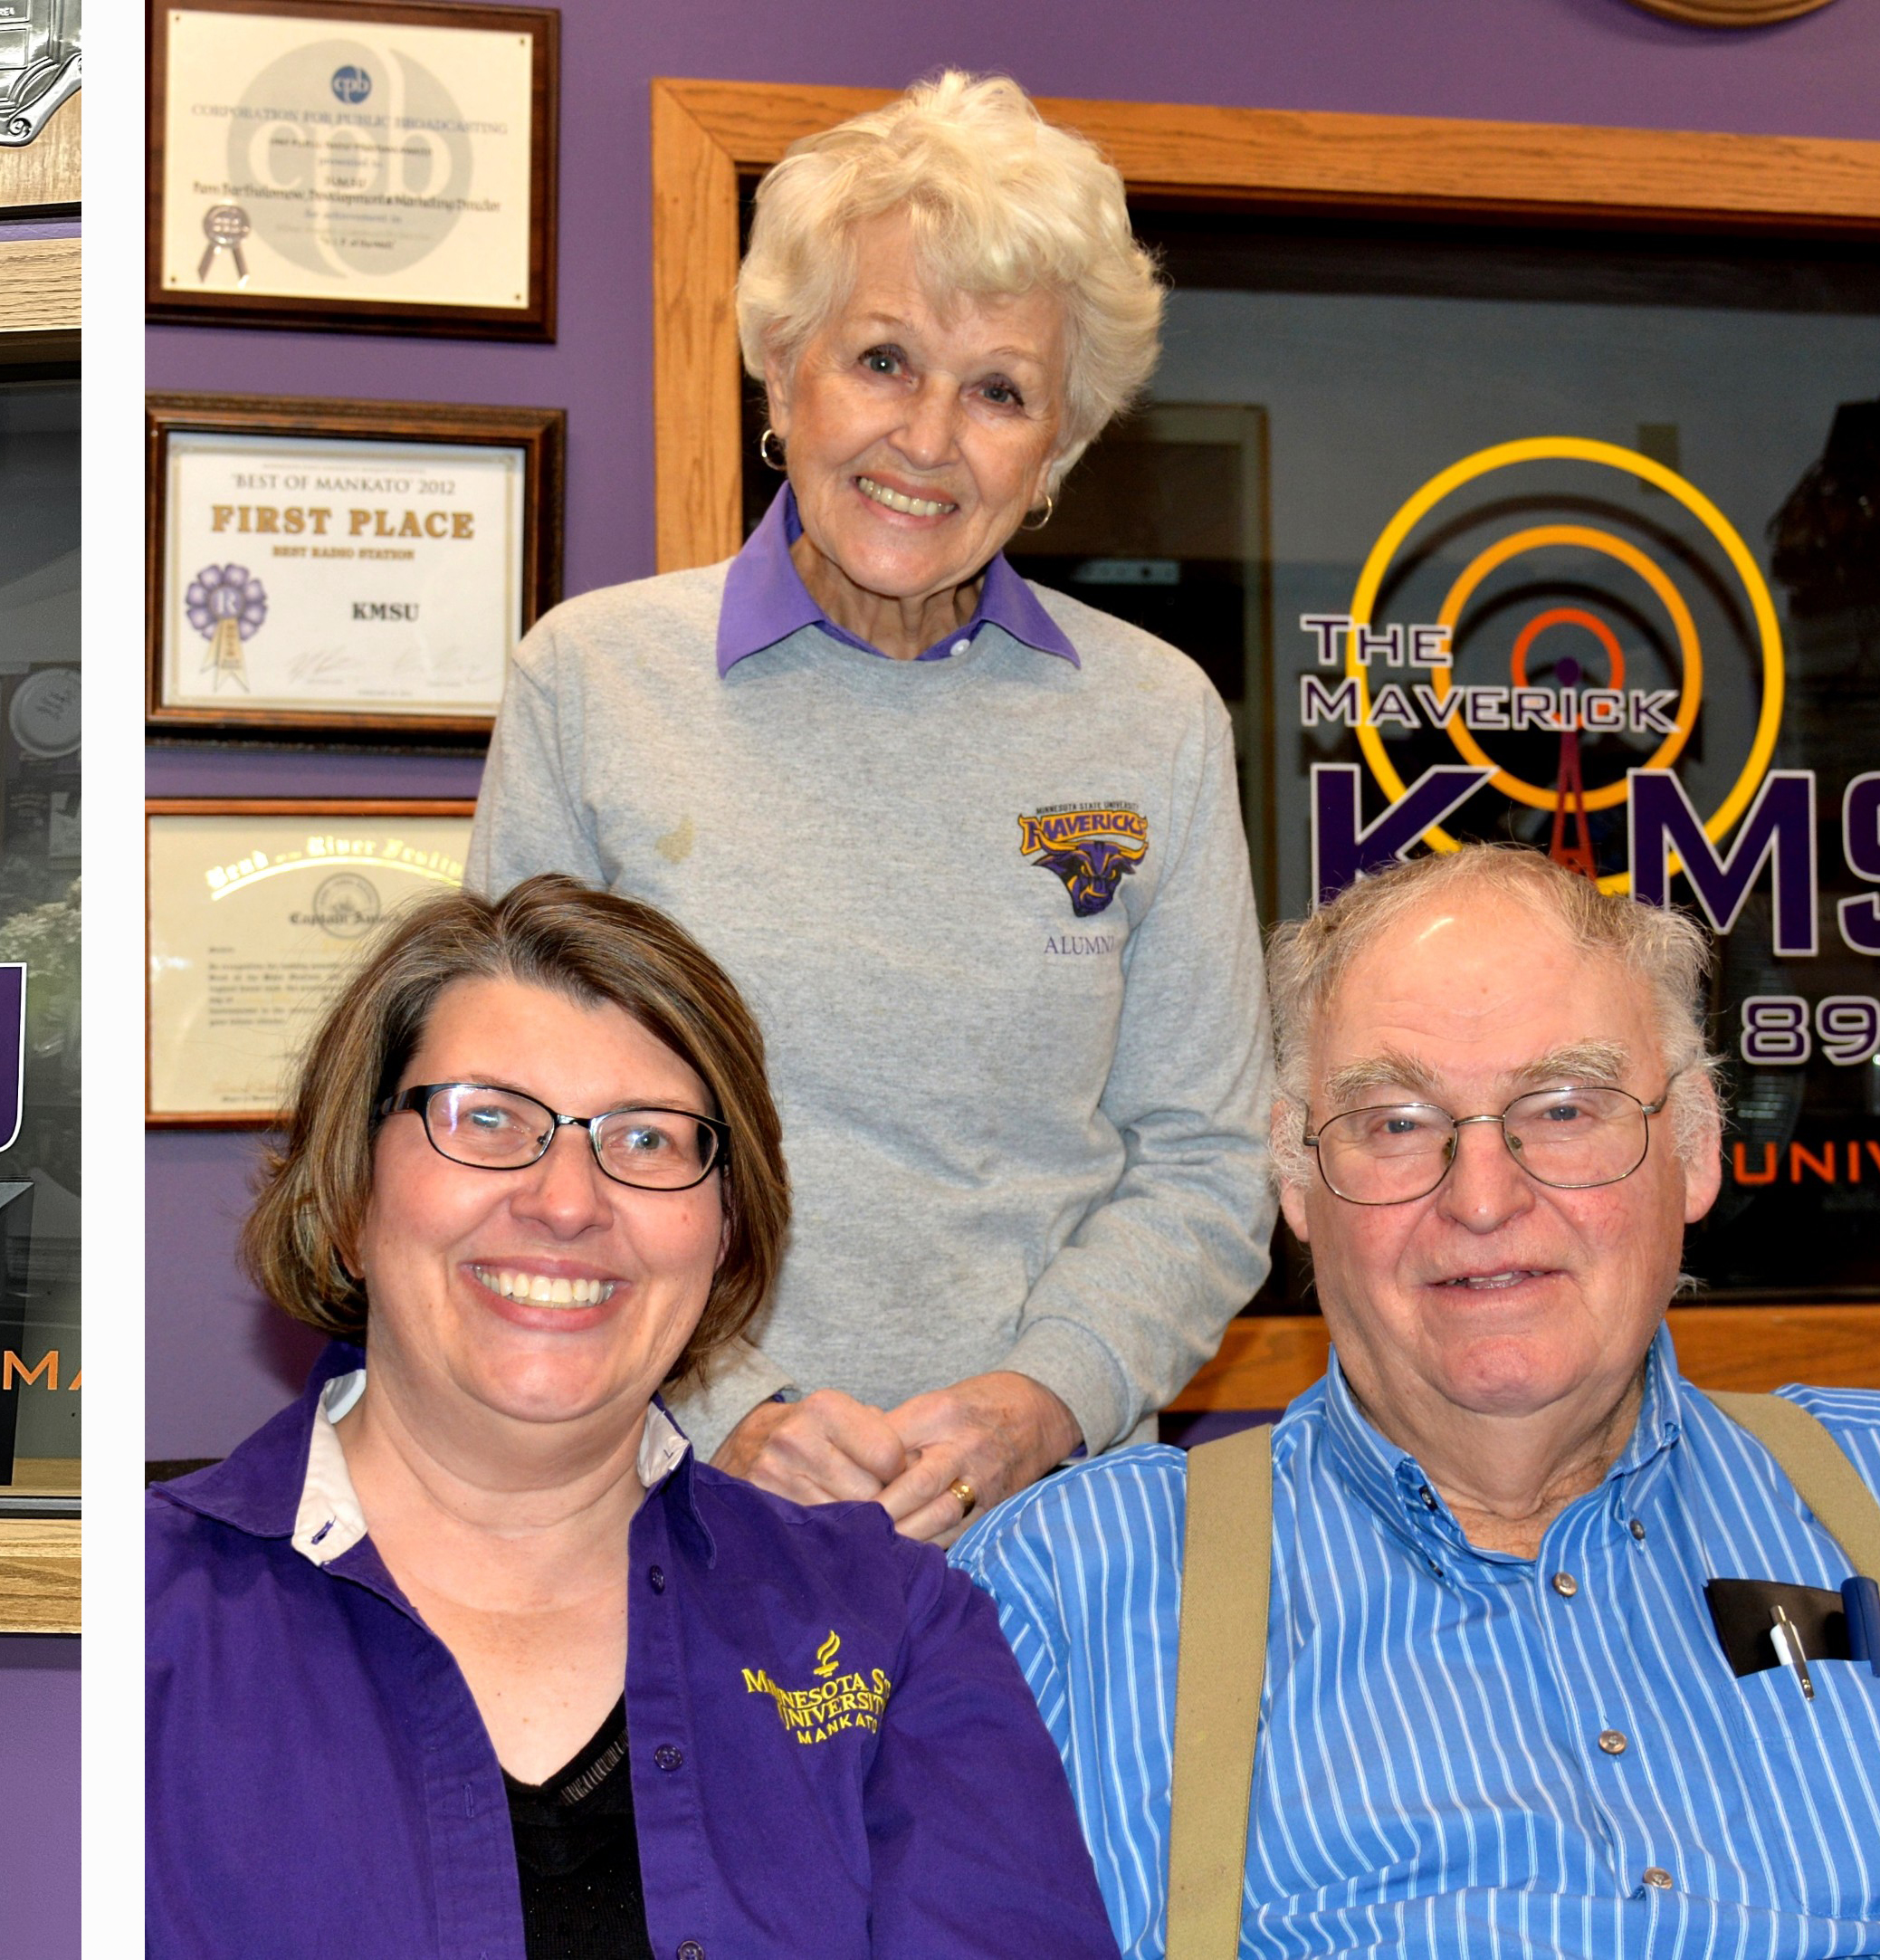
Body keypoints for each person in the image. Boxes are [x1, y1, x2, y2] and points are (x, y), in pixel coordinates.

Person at [467, 70, 1271, 1540]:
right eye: (884, 360)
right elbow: (518, 1132)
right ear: (782, 367)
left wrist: (1039, 1401)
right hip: (664, 1503)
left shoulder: (1155, 720)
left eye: (1000, 392)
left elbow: (1209, 1164)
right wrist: (733, 1408)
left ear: (1058, 449)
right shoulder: (591, 683)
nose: (928, 438)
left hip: (1054, 1536)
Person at [148, 875, 1115, 1960]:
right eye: (488, 1118)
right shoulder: (147, 1625)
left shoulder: (894, 1626)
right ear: (352, 1191)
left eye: (648, 1139)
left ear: (725, 1228)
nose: (567, 1200)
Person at [954, 846, 1880, 1960]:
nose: (1484, 1197)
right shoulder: (1069, 1591)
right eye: (1394, 1121)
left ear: (1692, 1149)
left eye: (1564, 1107)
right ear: (1294, 1182)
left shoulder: (1863, 1488)